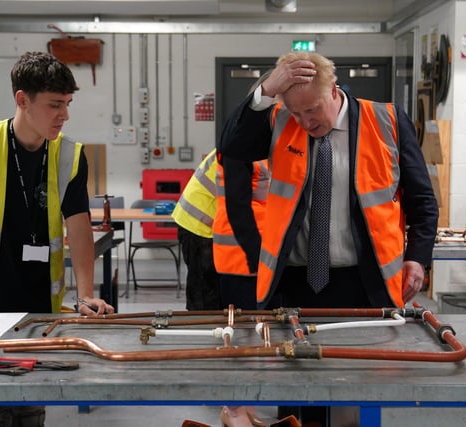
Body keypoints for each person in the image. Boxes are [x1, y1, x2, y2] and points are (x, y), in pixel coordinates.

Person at [217, 51, 439, 426]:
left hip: (363, 281)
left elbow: (422, 199)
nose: (306, 121)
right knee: (297, 388)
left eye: (312, 110)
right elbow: (232, 147)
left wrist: (417, 255)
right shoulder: (278, 119)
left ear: (334, 90)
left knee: (360, 384)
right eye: (297, 112)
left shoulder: (384, 120)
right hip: (294, 282)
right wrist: (267, 89)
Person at [0, 51, 114, 426]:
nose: (65, 115)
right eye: (55, 105)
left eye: (68, 104)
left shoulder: (69, 156)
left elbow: (78, 226)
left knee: (31, 409)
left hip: (39, 308)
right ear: (22, 100)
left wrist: (86, 294)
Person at [214, 154, 270, 427]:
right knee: (237, 337)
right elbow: (244, 204)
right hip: (242, 257)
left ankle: (244, 407)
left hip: (253, 256)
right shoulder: (242, 146)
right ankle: (234, 409)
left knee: (254, 336)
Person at [172, 148, 222, 310]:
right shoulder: (243, 152)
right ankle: (200, 328)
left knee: (208, 289)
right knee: (203, 294)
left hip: (197, 221)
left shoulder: (233, 143)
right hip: (198, 225)